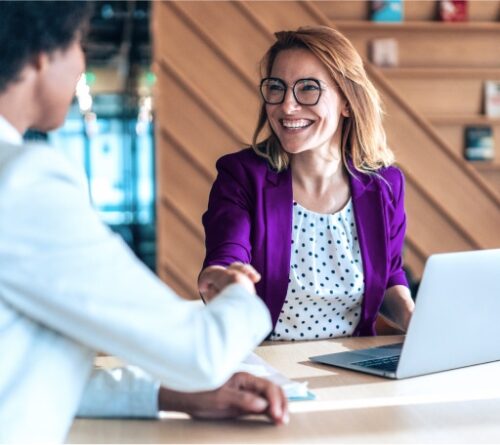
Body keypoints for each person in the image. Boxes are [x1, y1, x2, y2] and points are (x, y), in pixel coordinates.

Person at [0, 2, 288, 442]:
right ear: (41, 54)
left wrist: (170, 395)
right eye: (80, 44)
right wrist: (241, 294)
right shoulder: (22, 182)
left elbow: (15, 371)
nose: (82, 64)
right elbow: (201, 353)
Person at [199, 26, 415, 341]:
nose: (287, 106)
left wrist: (413, 317)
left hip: (353, 366)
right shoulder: (242, 175)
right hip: (266, 366)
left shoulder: (386, 184)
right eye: (277, 88)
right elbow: (228, 253)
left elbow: (390, 275)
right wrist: (223, 278)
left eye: (308, 88)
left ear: (347, 102)